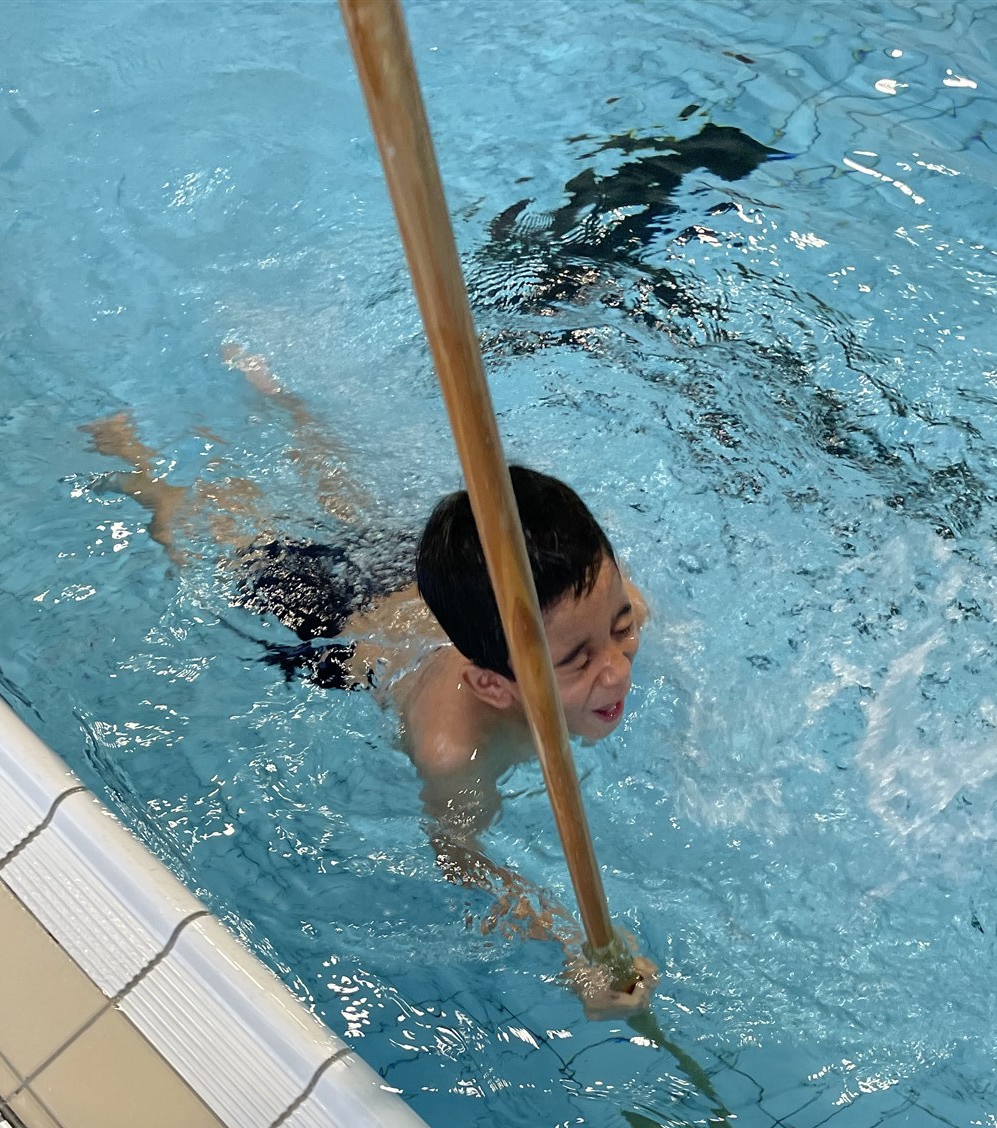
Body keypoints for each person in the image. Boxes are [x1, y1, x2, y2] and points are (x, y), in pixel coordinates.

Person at [86, 361, 655, 1014]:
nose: (616, 668)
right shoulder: (454, 750)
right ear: (492, 688)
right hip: (340, 626)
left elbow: (615, 616)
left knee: (346, 495)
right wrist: (569, 943)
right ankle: (134, 461)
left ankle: (279, 395)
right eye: (578, 661)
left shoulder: (587, 608)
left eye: (620, 627)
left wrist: (612, 643)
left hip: (425, 588)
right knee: (210, 541)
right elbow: (460, 858)